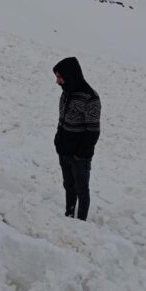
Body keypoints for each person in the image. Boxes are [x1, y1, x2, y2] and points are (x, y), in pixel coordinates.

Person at [53, 57, 101, 220]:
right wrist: (58, 141)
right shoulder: (66, 93)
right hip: (64, 151)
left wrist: (80, 154)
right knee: (69, 186)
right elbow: (61, 120)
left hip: (79, 157)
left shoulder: (90, 98)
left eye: (60, 77)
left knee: (81, 190)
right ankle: (69, 216)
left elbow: (93, 132)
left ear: (70, 75)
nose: (57, 82)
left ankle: (81, 223)